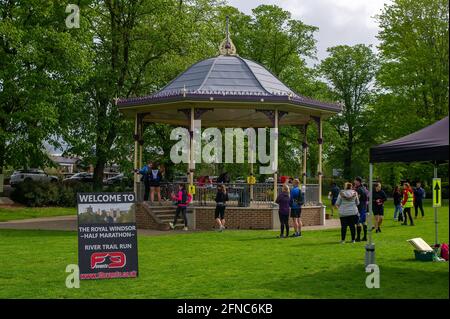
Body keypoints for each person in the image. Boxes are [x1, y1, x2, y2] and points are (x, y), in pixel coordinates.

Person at [354, 177, 368, 242]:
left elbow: (357, 199)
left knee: (358, 222)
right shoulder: (364, 188)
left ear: (358, 181)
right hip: (364, 207)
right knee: (364, 222)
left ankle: (358, 238)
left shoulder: (359, 189)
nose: (354, 182)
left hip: (359, 207)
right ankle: (365, 237)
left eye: (355, 181)